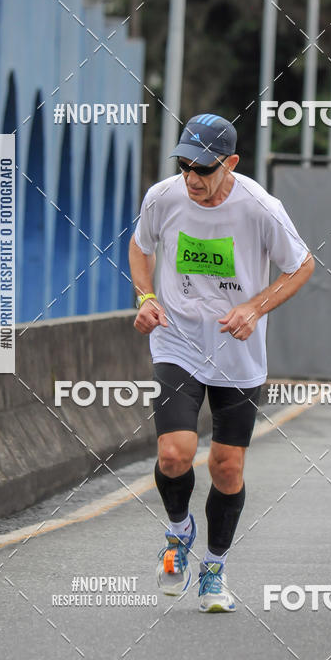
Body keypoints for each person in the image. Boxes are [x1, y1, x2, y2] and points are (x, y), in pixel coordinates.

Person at [129, 113, 314, 611]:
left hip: (238, 353)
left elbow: (302, 265)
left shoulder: (259, 207)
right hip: (178, 342)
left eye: (204, 169)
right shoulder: (163, 197)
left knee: (227, 467)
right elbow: (140, 247)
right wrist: (146, 297)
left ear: (230, 163)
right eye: (186, 164)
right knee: (174, 453)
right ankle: (177, 533)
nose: (192, 178)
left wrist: (254, 307)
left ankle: (214, 568)